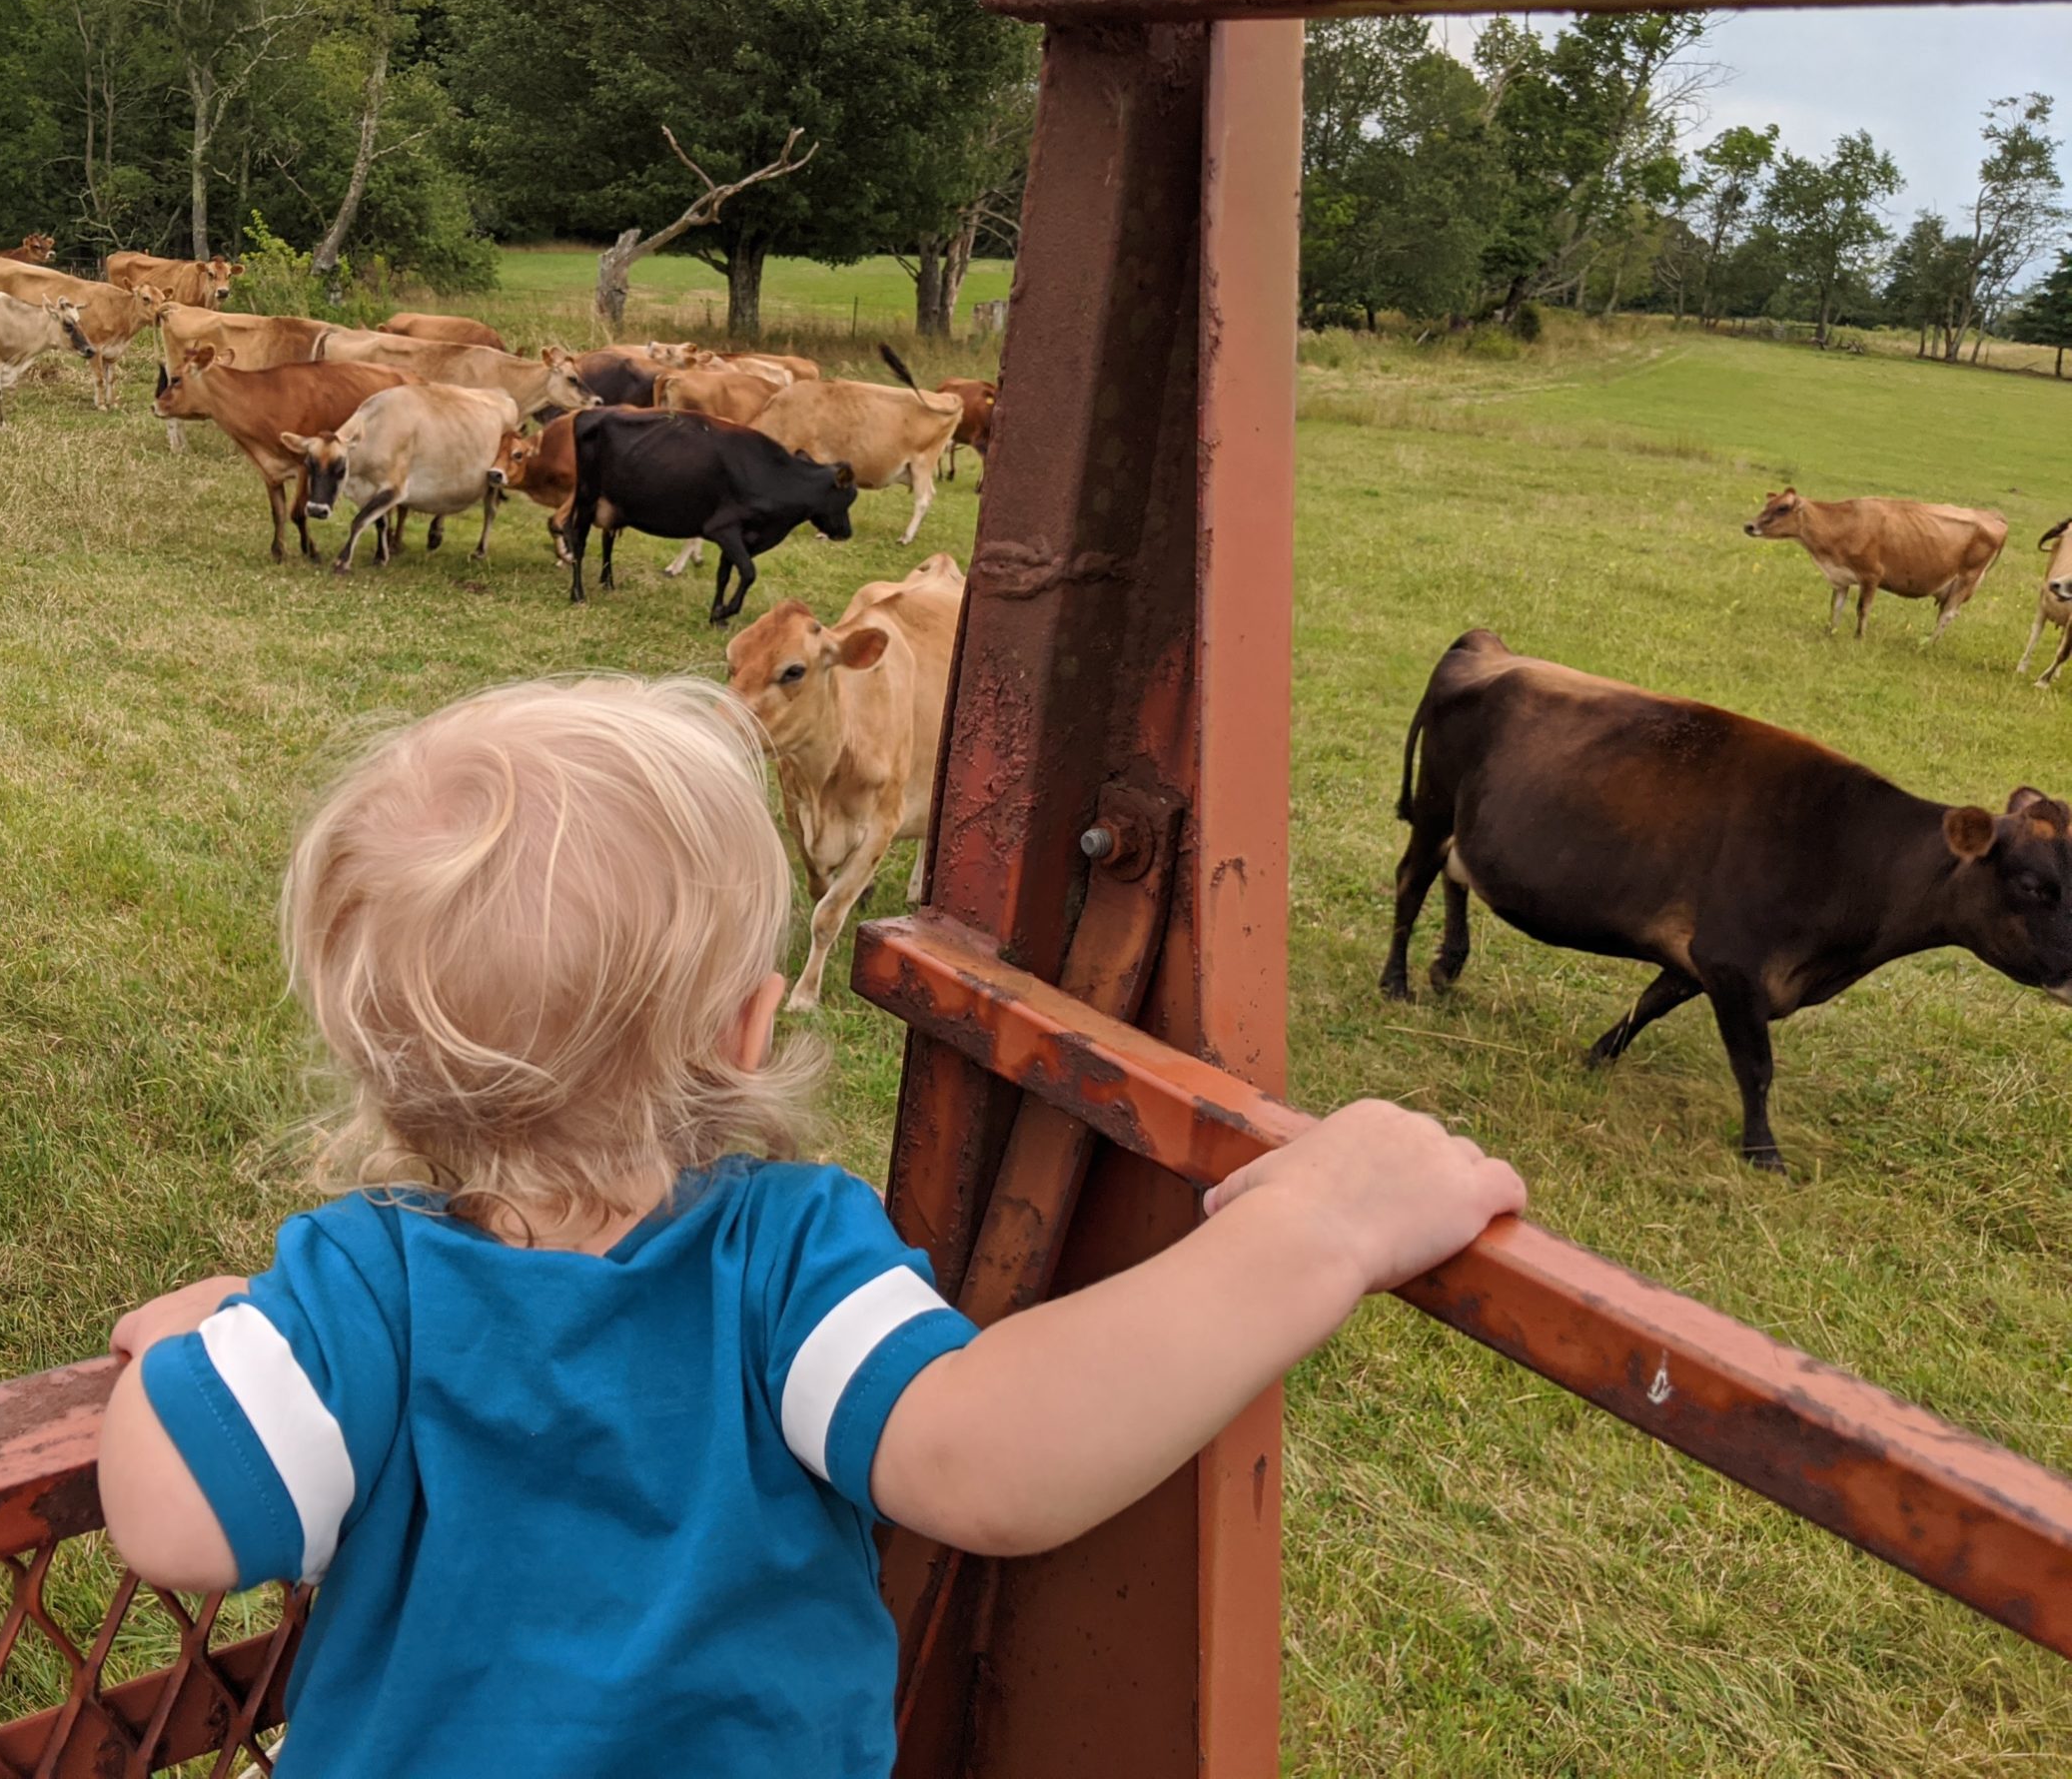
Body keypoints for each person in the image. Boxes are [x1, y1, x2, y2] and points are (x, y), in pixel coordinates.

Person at [96, 675, 1528, 1779]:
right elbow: (988, 1459)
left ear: (376, 1063)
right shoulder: (783, 1259)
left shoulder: (361, 1288)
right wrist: (1317, 1230)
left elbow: (173, 1525)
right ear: (745, 1029)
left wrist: (194, 1348)